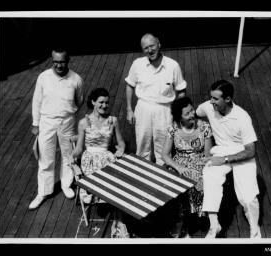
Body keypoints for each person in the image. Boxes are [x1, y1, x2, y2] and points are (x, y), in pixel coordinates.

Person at [196, 80, 261, 238]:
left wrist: (224, 159)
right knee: (209, 176)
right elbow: (195, 113)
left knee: (248, 197)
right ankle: (214, 225)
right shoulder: (209, 106)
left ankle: (255, 229)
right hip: (221, 149)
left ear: (228, 99)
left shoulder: (242, 117)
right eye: (210, 97)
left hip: (241, 153)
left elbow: (251, 151)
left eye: (215, 99)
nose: (211, 102)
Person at [29, 47, 84, 210]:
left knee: (68, 155)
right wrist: (35, 123)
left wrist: (68, 113)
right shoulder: (43, 77)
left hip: (67, 122)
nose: (58, 65)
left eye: (62, 62)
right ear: (52, 61)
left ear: (68, 61)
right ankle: (44, 191)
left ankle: (66, 185)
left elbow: (79, 100)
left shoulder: (76, 79)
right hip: (46, 122)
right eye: (55, 62)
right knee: (45, 158)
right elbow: (36, 101)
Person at [71, 87, 129, 238]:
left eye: (107, 103)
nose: (105, 105)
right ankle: (103, 198)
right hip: (90, 159)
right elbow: (78, 149)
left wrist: (120, 150)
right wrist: (71, 158)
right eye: (101, 102)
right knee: (110, 183)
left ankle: (119, 222)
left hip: (107, 156)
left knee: (119, 183)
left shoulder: (113, 121)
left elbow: (121, 143)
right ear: (93, 102)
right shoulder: (84, 122)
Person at [125, 33, 187, 165]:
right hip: (143, 108)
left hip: (164, 109)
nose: (150, 50)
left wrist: (179, 112)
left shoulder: (172, 65)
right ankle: (142, 173)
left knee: (163, 145)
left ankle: (163, 175)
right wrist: (129, 109)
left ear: (159, 44)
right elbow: (130, 85)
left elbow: (181, 90)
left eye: (152, 46)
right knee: (142, 143)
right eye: (145, 48)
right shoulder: (137, 64)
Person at [162, 96, 213, 238]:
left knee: (197, 180)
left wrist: (196, 168)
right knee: (172, 182)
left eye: (192, 110)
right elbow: (165, 155)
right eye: (187, 113)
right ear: (180, 117)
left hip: (199, 162)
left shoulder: (204, 127)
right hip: (179, 163)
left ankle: (189, 222)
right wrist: (178, 167)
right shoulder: (173, 129)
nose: (192, 115)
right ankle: (179, 221)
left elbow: (207, 155)